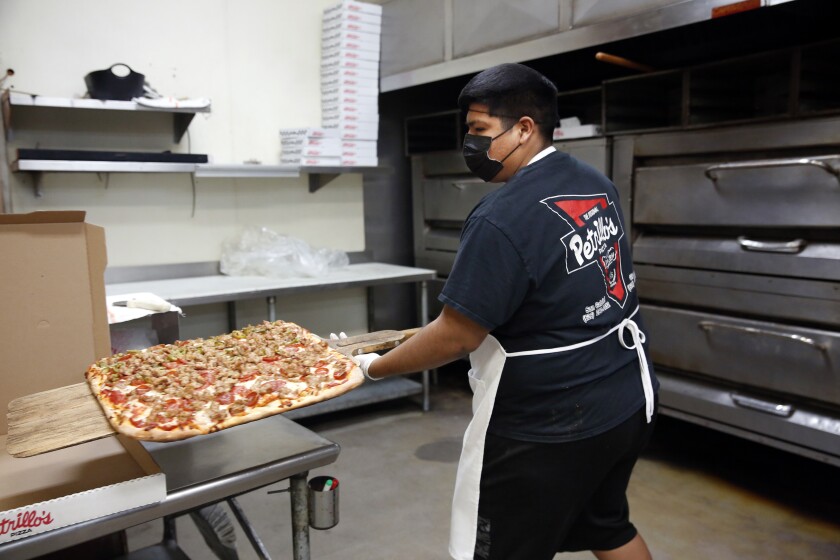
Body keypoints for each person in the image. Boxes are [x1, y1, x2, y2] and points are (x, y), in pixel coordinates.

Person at [347, 63, 658, 560]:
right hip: (624, 398)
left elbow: (456, 335)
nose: (470, 144)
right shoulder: (593, 182)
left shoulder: (502, 217)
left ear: (525, 129)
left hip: (549, 424)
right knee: (607, 525)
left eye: (479, 131)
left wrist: (372, 366)